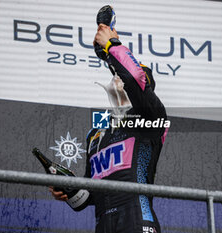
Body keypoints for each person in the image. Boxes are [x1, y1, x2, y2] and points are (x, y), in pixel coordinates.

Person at [50, 23, 168, 233]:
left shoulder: (150, 118)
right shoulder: (96, 131)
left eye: (123, 75)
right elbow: (88, 195)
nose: (118, 77)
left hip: (139, 223)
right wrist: (69, 190)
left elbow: (135, 79)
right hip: (104, 226)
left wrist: (111, 46)